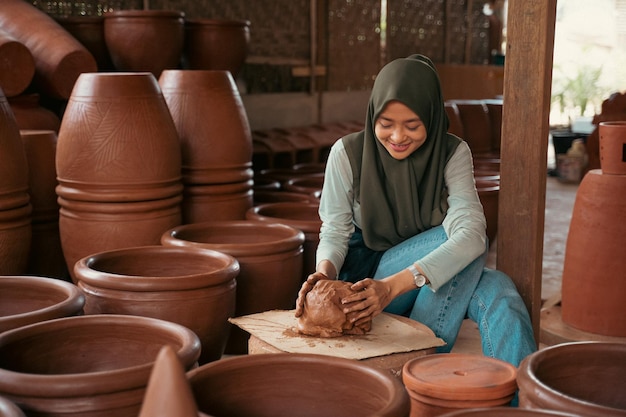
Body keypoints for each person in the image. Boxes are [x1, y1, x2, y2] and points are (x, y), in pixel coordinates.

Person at [294, 54, 536, 370]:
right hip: (366, 287)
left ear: (432, 118)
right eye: (385, 124)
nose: (397, 137)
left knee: (500, 292)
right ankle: (421, 374)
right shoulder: (348, 153)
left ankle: (525, 402)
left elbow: (471, 232)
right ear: (372, 116)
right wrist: (324, 275)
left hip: (399, 285)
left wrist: (393, 287)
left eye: (412, 125)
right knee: (465, 244)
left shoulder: (452, 153)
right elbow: (335, 229)